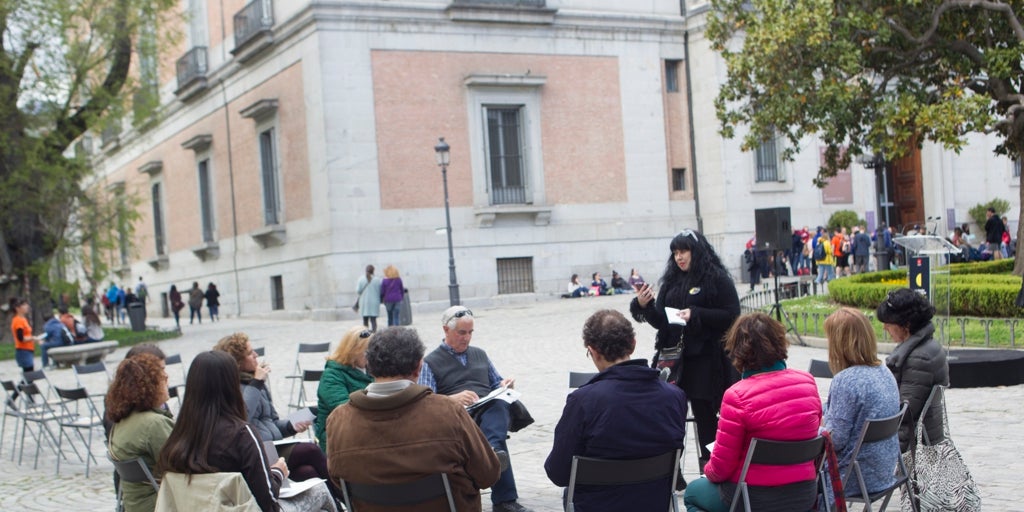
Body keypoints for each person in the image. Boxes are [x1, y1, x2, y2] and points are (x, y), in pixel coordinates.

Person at [326, 327, 501, 512]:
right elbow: (487, 474)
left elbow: (339, 479)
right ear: (419, 367)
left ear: (369, 366)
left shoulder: (338, 421)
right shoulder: (448, 412)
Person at [545, 309, 688, 511]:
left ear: (593, 351)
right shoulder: (674, 396)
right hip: (653, 502)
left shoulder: (584, 400)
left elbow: (557, 472)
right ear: (633, 344)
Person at [157, 351, 335, 512]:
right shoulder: (241, 434)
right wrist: (279, 472)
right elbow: (268, 499)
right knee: (319, 490)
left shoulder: (179, 434)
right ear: (231, 385)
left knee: (306, 472)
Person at [682, 312, 822, 512]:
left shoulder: (737, 396)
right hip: (803, 494)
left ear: (738, 350)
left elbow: (721, 469)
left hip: (752, 498)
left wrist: (708, 471)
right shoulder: (807, 382)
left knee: (693, 493)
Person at [629, 228, 741, 475]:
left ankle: (710, 470)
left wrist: (697, 314)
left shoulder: (717, 278)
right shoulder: (670, 281)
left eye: (684, 251)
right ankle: (671, 472)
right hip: (672, 358)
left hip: (705, 359)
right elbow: (661, 320)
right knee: (667, 413)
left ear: (696, 251)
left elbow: (732, 313)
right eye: (675, 252)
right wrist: (644, 306)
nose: (679, 257)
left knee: (705, 416)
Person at [418, 306, 533, 512]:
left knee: (498, 404)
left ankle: (493, 450)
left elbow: (496, 382)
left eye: (470, 332)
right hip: (457, 417)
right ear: (446, 330)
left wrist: (505, 385)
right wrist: (452, 399)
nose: (467, 338)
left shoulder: (480, 354)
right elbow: (426, 403)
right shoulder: (430, 362)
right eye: (462, 332)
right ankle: (502, 490)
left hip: (488, 411)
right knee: (493, 431)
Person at [212, 333, 342, 504]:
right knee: (310, 450)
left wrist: (291, 426)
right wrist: (257, 383)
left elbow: (272, 422)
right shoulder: (235, 387)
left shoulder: (256, 383)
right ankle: (352, 499)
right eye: (251, 353)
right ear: (238, 361)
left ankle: (339, 507)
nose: (256, 356)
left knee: (307, 472)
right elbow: (241, 416)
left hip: (275, 448)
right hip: (258, 453)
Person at [822, 308, 900, 499]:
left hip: (851, 475)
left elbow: (835, 440)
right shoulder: (883, 370)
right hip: (883, 470)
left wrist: (814, 426)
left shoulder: (846, 380)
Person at [876, 288, 950, 452]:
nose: (885, 328)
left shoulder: (918, 358)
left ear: (906, 325)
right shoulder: (927, 346)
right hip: (922, 436)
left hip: (909, 444)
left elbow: (904, 411)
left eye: (889, 323)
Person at [106, 353, 173, 512]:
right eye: (164, 379)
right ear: (151, 386)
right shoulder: (153, 424)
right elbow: (183, 467)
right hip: (159, 504)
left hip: (134, 505)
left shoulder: (122, 421)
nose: (168, 384)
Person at [314, 326, 374, 452]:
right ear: (353, 351)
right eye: (366, 352)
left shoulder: (371, 370)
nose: (371, 356)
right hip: (337, 437)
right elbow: (344, 409)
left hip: (363, 431)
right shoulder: (331, 375)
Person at [9, 297, 42, 372]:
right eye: (24, 305)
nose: (27, 306)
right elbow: (20, 338)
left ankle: (22, 384)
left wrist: (34, 340)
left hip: (28, 349)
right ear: (17, 308)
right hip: (23, 350)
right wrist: (33, 338)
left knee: (28, 374)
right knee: (29, 374)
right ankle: (21, 384)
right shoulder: (18, 321)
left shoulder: (23, 319)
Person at [355, 265, 381, 332]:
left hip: (364, 302)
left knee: (365, 321)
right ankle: (374, 334)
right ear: (373, 271)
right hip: (374, 302)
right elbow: (380, 291)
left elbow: (358, 291)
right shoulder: (377, 280)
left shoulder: (361, 279)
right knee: (373, 320)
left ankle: (365, 336)